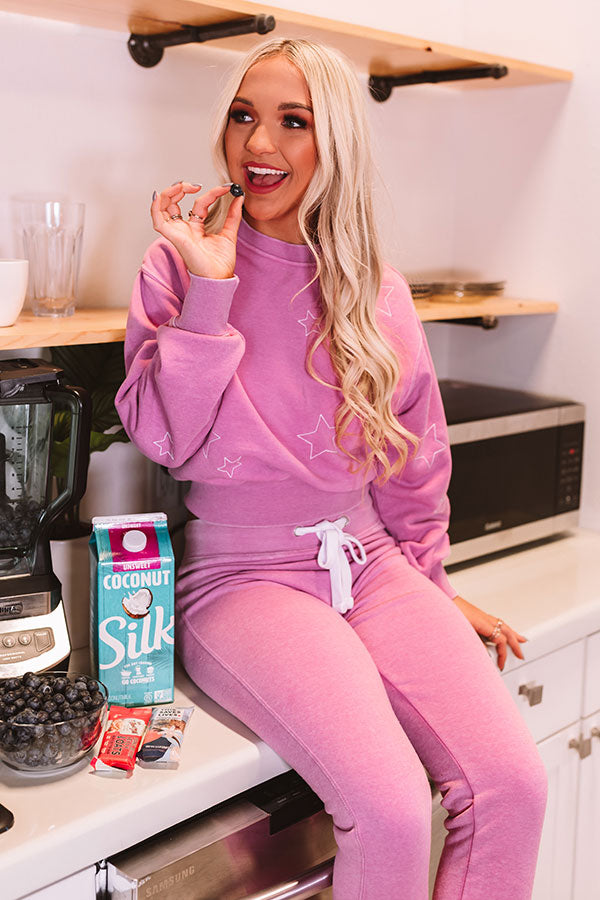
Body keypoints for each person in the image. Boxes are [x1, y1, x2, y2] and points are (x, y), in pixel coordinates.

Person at [115, 38, 547, 900]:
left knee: (514, 785)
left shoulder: (376, 287)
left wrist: (432, 586)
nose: (258, 143)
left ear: (335, 140)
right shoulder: (177, 266)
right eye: (244, 116)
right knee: (390, 810)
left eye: (293, 122)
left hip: (370, 561)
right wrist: (210, 287)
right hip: (241, 578)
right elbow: (165, 439)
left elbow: (413, 459)